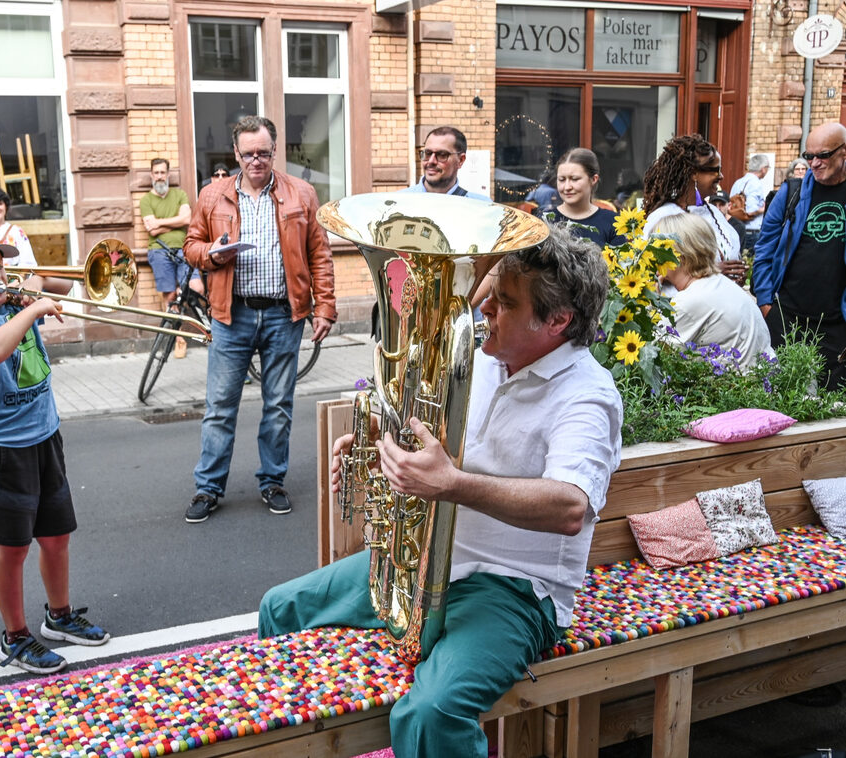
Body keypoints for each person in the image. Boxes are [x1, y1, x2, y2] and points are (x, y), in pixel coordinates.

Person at [258, 225, 621, 758]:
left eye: (504, 302)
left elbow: (570, 506)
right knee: (280, 609)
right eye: (490, 294)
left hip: (515, 591)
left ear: (558, 321)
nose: (484, 309)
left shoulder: (588, 395)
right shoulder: (482, 360)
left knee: (432, 711)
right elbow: (427, 443)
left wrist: (451, 485)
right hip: (433, 563)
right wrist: (373, 452)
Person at [0, 229, 110, 675]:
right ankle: (14, 637)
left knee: (56, 537)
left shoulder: (14, 300)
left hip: (44, 438)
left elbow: (66, 286)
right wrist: (31, 306)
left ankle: (59, 616)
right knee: (13, 548)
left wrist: (35, 282)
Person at [182, 115, 336, 524]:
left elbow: (320, 254)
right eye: (248, 153)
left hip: (284, 316)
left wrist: (324, 307)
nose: (256, 160)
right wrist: (210, 254)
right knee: (219, 407)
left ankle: (272, 481)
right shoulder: (212, 195)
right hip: (231, 315)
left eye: (264, 153)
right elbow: (190, 245)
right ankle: (208, 488)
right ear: (235, 153)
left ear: (274, 152)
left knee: (279, 406)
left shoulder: (301, 193)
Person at [753, 121, 846, 390]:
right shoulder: (791, 192)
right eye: (809, 156)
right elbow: (764, 249)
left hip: (836, 323)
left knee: (835, 402)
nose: (815, 163)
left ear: (843, 152)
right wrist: (765, 301)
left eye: (823, 155)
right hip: (787, 317)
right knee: (782, 395)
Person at [652, 213, 773, 369]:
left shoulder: (691, 300)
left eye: (658, 251)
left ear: (679, 256)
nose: (654, 257)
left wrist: (651, 297)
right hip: (759, 385)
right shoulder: (720, 284)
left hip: (739, 388)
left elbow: (654, 352)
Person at [641, 134, 745, 283]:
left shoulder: (715, 213)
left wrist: (736, 277)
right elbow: (648, 272)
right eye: (714, 170)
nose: (721, 176)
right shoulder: (663, 217)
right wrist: (712, 272)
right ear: (694, 173)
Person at [140, 158, 203, 358]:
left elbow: (187, 219)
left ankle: (208, 330)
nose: (159, 176)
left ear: (168, 174)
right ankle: (179, 338)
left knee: (197, 288)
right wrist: (174, 223)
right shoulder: (146, 200)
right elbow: (150, 228)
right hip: (159, 250)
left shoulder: (179, 194)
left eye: (162, 172)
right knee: (170, 296)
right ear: (152, 175)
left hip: (184, 249)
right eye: (156, 172)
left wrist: (160, 224)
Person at [538, 148, 623, 247]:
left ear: (593, 179)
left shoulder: (612, 221)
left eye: (574, 179)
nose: (567, 187)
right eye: (561, 180)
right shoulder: (545, 221)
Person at [403, 126, 489, 200]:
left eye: (442, 155)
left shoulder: (481, 207)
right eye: (428, 153)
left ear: (461, 160)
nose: (431, 161)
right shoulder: (399, 203)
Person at [729, 153, 771, 252]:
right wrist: (764, 209)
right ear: (763, 169)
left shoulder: (738, 182)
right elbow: (751, 210)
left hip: (736, 228)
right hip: (751, 233)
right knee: (750, 264)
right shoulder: (755, 183)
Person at [707, 190, 747, 262]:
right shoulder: (706, 223)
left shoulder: (737, 226)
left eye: (722, 204)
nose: (718, 208)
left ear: (729, 206)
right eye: (714, 205)